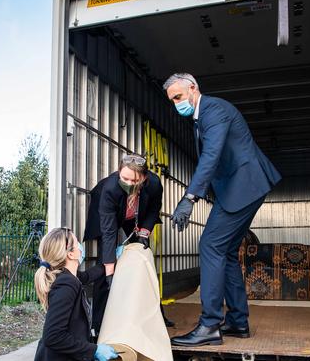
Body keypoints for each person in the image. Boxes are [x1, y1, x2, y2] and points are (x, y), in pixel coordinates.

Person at [163, 73, 282, 347]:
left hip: (244, 186)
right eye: (172, 100)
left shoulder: (213, 110)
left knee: (210, 246)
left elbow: (211, 155)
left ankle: (209, 325)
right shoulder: (202, 116)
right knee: (225, 251)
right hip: (244, 188)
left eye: (179, 97)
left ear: (193, 88)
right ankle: (238, 322)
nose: (176, 104)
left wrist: (189, 197)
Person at [83, 153, 172, 336]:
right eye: (124, 178)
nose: (129, 183)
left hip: (135, 215)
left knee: (142, 261)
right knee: (104, 266)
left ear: (144, 178)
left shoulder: (154, 184)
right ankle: (98, 325)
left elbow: (154, 208)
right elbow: (109, 233)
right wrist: (109, 270)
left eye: (135, 180)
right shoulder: (109, 189)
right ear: (118, 173)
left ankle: (157, 317)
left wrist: (145, 232)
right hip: (109, 215)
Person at [33, 227, 118, 361]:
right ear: (70, 254)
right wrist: (93, 350)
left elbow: (87, 276)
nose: (80, 247)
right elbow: (53, 335)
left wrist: (109, 262)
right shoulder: (67, 284)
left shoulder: (68, 278)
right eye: (77, 242)